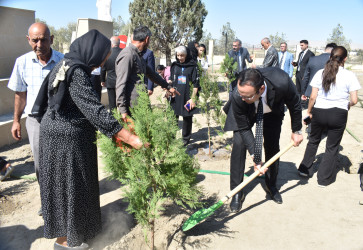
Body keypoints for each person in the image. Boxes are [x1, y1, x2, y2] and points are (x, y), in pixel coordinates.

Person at [32, 29, 144, 249]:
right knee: (70, 190)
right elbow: (94, 110)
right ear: (91, 53)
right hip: (65, 143)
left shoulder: (66, 64)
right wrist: (129, 137)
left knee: (74, 188)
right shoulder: (76, 72)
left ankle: (76, 235)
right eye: (100, 61)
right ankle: (67, 243)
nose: (100, 66)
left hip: (61, 137)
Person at [224, 68, 303, 212]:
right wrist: (256, 156)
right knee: (239, 145)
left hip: (272, 110)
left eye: (247, 96)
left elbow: (295, 103)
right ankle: (237, 192)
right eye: (241, 94)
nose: (242, 97)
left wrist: (296, 130)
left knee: (272, 146)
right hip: (245, 114)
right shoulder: (239, 95)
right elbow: (243, 128)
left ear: (261, 89)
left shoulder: (282, 81)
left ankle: (271, 185)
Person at [7, 22, 63, 216]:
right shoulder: (22, 63)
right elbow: (20, 95)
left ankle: (62, 198)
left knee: (61, 160)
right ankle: (47, 200)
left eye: (43, 39)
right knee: (41, 163)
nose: (39, 44)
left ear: (52, 39)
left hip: (59, 119)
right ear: (28, 40)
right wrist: (16, 121)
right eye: (34, 40)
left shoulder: (63, 61)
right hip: (35, 121)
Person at [298, 46, 360, 187]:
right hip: (339, 114)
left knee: (313, 141)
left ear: (330, 56)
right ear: (345, 59)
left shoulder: (321, 72)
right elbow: (355, 100)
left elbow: (313, 96)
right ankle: (324, 180)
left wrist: (309, 111)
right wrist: (348, 104)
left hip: (319, 111)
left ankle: (304, 170)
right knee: (332, 147)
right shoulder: (350, 75)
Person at [115, 26, 179, 119]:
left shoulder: (138, 55)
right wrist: (123, 111)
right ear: (147, 39)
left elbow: (152, 74)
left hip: (141, 103)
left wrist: (168, 87)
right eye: (149, 40)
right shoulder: (128, 55)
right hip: (132, 108)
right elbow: (120, 84)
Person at [170, 45, 200, 146]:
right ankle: (172, 138)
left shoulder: (193, 66)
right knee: (173, 117)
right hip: (176, 95)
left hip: (187, 96)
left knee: (187, 118)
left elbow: (196, 84)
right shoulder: (174, 65)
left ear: (186, 55)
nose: (180, 58)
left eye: (182, 55)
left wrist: (193, 98)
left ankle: (185, 139)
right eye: (178, 55)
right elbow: (171, 79)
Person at [101, 36, 122, 111]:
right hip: (122, 81)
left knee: (112, 103)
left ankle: (114, 119)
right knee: (123, 102)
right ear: (119, 43)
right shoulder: (124, 52)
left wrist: (102, 80)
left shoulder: (107, 53)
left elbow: (103, 69)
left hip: (110, 82)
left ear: (111, 43)